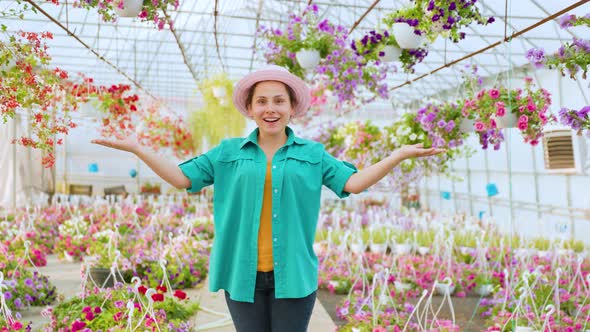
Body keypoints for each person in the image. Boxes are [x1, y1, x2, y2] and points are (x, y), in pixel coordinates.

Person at [92, 65, 444, 332]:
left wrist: (397, 155)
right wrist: (138, 148)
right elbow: (182, 178)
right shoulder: (229, 152)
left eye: (279, 100)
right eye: (261, 101)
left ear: (292, 107)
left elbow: (352, 183)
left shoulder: (313, 153)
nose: (270, 108)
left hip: (294, 274)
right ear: (250, 107)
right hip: (241, 274)